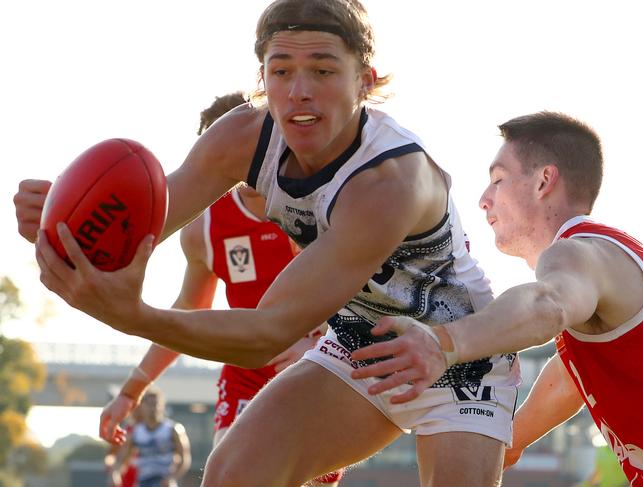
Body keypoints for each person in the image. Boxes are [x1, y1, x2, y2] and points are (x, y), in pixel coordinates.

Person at [15, 1, 520, 485]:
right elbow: (145, 222)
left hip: (458, 351)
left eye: (322, 71)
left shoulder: (387, 182)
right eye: (281, 71)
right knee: (234, 476)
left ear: (364, 82)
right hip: (360, 337)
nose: (299, 91)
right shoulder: (241, 137)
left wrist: (132, 316)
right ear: (262, 80)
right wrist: (67, 220)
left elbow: (267, 334)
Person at [350, 111, 643, 485]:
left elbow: (547, 304)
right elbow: (572, 374)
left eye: (498, 180)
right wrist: (514, 439)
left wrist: (444, 342)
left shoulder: (576, 252)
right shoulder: (612, 261)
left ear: (544, 182)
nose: (483, 200)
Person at [99, 92, 342, 487]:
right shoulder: (203, 228)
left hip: (322, 367)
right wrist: (131, 392)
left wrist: (318, 346)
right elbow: (187, 313)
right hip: (246, 373)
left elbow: (366, 293)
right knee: (225, 477)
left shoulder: (323, 201)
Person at [111, 388, 191, 487]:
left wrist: (172, 477)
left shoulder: (173, 430)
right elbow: (121, 459)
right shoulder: (137, 432)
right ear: (142, 406)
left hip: (164, 481)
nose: (153, 408)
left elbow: (185, 459)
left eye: (156, 404)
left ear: (162, 406)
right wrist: (115, 474)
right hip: (143, 481)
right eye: (149, 404)